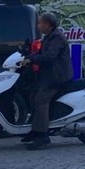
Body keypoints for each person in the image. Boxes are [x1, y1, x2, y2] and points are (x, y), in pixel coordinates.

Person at [21, 12, 71, 150]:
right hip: (48, 76)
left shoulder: (57, 38)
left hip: (56, 77)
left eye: (40, 23)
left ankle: (43, 136)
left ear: (48, 24)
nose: (39, 25)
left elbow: (49, 57)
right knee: (31, 95)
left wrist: (32, 59)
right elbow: (40, 53)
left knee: (41, 100)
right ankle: (35, 130)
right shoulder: (49, 37)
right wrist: (28, 56)